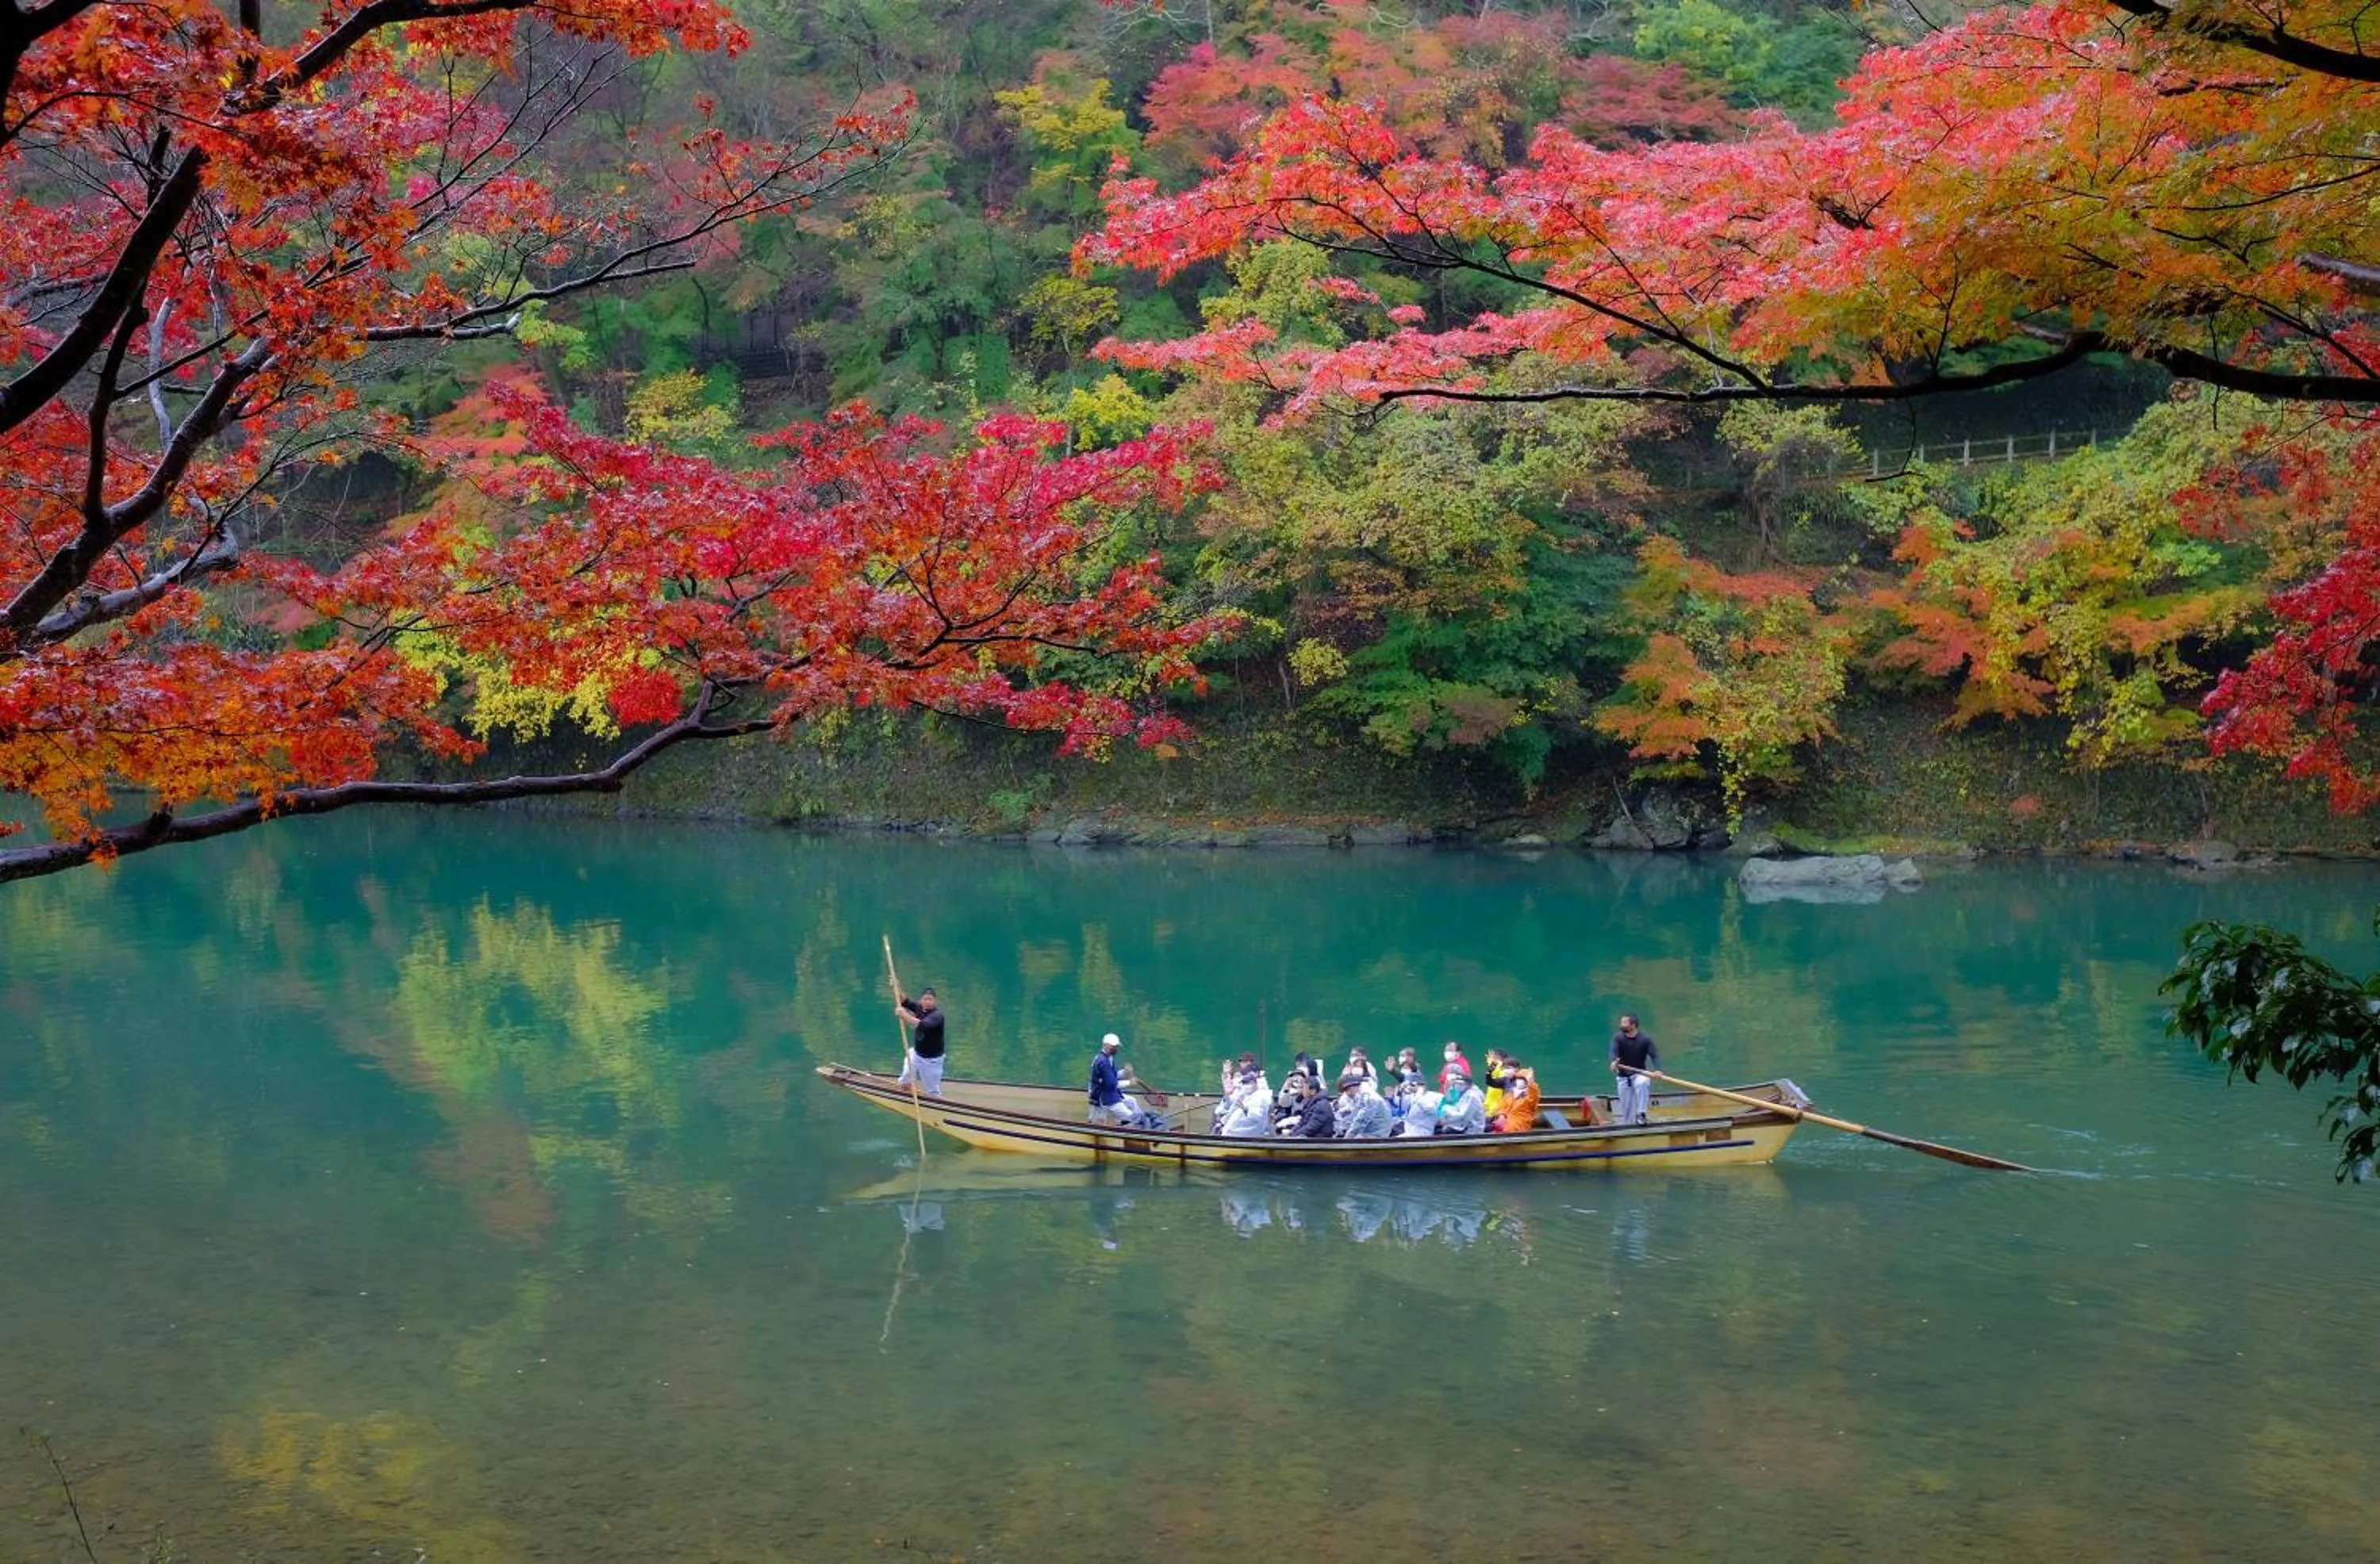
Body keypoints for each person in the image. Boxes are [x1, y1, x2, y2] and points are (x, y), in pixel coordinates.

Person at [893, 987, 946, 1097]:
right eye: (925, 999)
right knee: (905, 1078)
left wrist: (904, 1014)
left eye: (930, 999)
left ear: (935, 1001)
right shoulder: (919, 1008)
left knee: (933, 1092)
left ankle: (935, 1103)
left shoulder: (937, 1016)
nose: (927, 1002)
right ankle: (906, 1089)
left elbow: (919, 1024)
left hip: (931, 1061)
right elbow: (904, 1001)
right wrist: (897, 987)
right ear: (921, 1000)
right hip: (916, 1054)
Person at [1610, 1012, 1660, 1125]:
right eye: (1621, 1022)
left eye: (1624, 1023)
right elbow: (1613, 1052)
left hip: (1640, 1074)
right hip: (1623, 1077)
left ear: (1633, 1025)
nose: (1621, 1025)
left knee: (1643, 1082)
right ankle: (1630, 1127)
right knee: (1628, 1113)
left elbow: (1655, 1055)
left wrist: (1658, 1070)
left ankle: (1642, 1113)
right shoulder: (1618, 1038)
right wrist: (1614, 1062)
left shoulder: (1645, 1039)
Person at [1086, 1032, 1146, 1126]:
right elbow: (1111, 1084)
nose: (1116, 1048)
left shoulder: (1109, 1058)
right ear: (1105, 1045)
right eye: (1113, 1046)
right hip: (1105, 1099)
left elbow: (1112, 1076)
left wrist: (1125, 1072)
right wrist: (1129, 1083)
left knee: (1132, 1101)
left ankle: (1126, 1123)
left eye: (1116, 1046)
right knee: (1133, 1117)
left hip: (1111, 1094)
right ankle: (1138, 1124)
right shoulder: (1103, 1063)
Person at [1279, 1073, 1337, 1138]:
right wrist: (1291, 1132)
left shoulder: (1321, 1105)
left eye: (1304, 1088)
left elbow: (1311, 1127)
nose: (1302, 1091)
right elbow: (1303, 1122)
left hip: (1320, 1140)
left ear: (1313, 1091)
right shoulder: (1312, 1102)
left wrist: (1294, 1135)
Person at [1216, 1070, 1273, 1137]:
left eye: (1248, 1083)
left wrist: (1245, 1109)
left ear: (1255, 1083)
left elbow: (1257, 1117)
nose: (1245, 1085)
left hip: (1248, 1134)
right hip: (1234, 1132)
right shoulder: (1246, 1095)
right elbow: (1222, 1110)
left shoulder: (1261, 1097)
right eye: (1244, 1083)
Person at [1338, 1073, 1395, 1139]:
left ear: (1351, 1086)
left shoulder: (1369, 1098)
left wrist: (1346, 1138)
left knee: (1356, 1137)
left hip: (1378, 1135)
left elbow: (1361, 1121)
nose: (1346, 1093)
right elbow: (1354, 1115)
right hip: (1371, 1130)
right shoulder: (1363, 1094)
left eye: (1346, 1090)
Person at [1493, 1061, 1541, 1133]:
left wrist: (1531, 1081)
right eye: (1517, 1078)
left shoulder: (1530, 1095)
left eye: (1522, 1079)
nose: (1519, 1081)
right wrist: (1501, 1115)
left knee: (1509, 1129)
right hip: (1505, 1122)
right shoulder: (1510, 1093)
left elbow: (1534, 1094)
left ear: (1526, 1081)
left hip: (1520, 1125)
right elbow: (1502, 1106)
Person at [1435, 1068, 1487, 1135]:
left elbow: (1462, 1116)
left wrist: (1445, 1119)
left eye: (1458, 1084)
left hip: (1471, 1131)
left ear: (1466, 1084)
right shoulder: (1464, 1094)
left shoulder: (1471, 1096)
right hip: (1462, 1126)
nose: (1456, 1086)